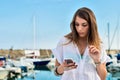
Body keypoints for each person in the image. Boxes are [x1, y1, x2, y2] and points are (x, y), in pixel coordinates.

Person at [52, 7, 108, 80]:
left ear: (91, 25)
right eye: (77, 24)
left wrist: (97, 60)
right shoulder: (64, 42)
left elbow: (103, 77)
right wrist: (62, 68)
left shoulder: (99, 45)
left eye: (84, 25)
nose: (79, 29)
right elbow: (56, 72)